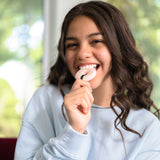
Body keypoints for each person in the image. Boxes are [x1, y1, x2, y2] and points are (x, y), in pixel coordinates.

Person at [14, 1, 160, 160]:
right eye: (72, 44)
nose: (82, 53)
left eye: (96, 41)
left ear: (119, 47)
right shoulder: (46, 99)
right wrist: (74, 130)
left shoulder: (147, 127)